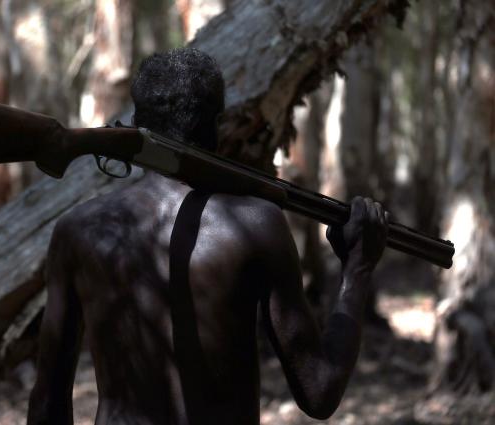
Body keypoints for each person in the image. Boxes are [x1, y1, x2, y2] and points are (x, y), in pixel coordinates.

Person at [26, 48, 388, 425]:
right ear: (216, 125)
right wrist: (357, 270)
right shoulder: (258, 223)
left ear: (136, 121)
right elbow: (319, 393)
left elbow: (47, 403)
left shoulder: (78, 230)